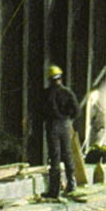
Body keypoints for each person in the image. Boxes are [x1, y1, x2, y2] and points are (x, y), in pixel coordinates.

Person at [41, 65, 80, 199]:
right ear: (60, 78)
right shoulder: (67, 92)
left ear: (50, 79)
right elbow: (76, 110)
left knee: (55, 158)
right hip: (65, 125)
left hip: (52, 126)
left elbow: (40, 111)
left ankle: (54, 191)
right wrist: (68, 118)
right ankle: (71, 184)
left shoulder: (46, 94)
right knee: (68, 154)